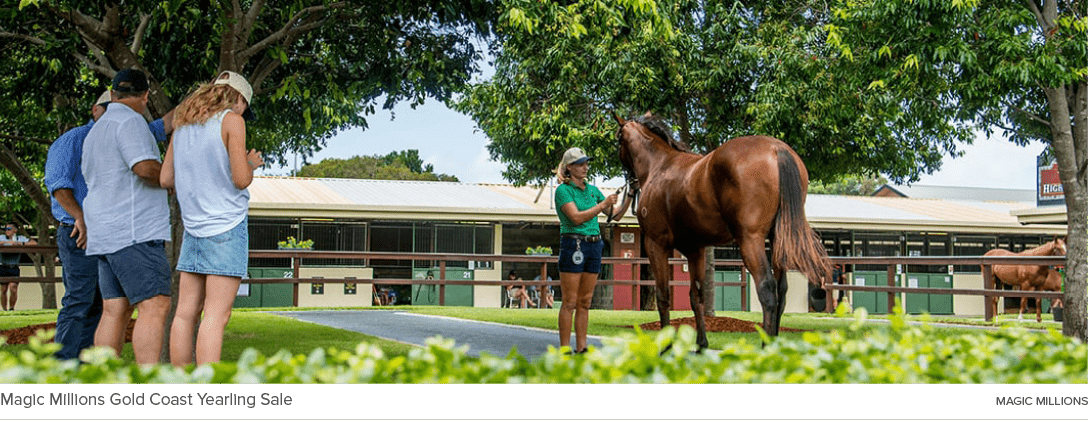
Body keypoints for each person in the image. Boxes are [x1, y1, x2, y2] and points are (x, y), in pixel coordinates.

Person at [45, 90, 175, 360]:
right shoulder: (75, 138)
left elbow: (165, 123)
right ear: (96, 110)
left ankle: (90, 367)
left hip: (106, 230)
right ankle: (64, 366)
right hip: (78, 230)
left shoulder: (130, 129)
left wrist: (205, 95)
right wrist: (80, 217)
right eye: (109, 108)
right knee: (81, 301)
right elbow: (58, 185)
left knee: (106, 306)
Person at [163, 70, 262, 367]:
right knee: (216, 315)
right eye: (245, 105)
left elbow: (166, 177)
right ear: (239, 99)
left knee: (185, 312)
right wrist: (251, 163)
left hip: (193, 227)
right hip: (226, 227)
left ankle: (180, 384)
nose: (243, 111)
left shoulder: (182, 125)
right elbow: (241, 179)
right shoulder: (233, 120)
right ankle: (208, 389)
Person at [81, 68, 173, 365]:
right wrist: (175, 176)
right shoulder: (133, 122)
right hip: (134, 231)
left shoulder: (97, 129)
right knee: (155, 305)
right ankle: (148, 385)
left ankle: (105, 383)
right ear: (145, 97)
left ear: (112, 94)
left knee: (114, 310)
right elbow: (144, 168)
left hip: (105, 233)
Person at [554, 147, 626, 353]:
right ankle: (565, 349)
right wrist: (602, 204)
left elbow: (616, 215)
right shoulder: (563, 191)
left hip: (595, 245)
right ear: (569, 167)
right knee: (570, 301)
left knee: (585, 301)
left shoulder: (592, 190)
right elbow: (576, 218)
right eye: (580, 164)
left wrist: (628, 194)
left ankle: (582, 347)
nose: (585, 167)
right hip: (573, 244)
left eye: (586, 163)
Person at [0, 223, 36, 311]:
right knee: (3, 289)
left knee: (13, 288)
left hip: (14, 266)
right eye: (6, 229)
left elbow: (34, 243)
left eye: (9, 228)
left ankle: (12, 308)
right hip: (3, 266)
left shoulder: (20, 238)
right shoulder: (1, 237)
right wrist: (8, 243)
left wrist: (20, 243)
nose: (7, 231)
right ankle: (4, 310)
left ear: (15, 230)